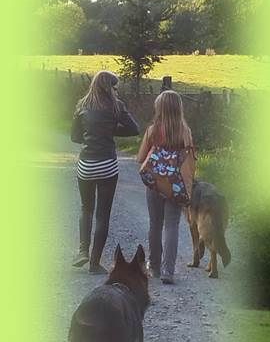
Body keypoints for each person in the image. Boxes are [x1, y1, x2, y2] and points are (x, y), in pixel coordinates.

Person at [71, 71, 140, 273]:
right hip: (107, 164)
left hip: (86, 164)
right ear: (109, 87)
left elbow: (75, 137)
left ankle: (83, 251)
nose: (117, 90)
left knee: (86, 208)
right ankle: (94, 263)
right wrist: (110, 131)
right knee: (103, 215)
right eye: (115, 87)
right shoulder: (116, 106)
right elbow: (134, 128)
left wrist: (92, 134)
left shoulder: (82, 105)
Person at [137, 90, 195, 285]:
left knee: (155, 224)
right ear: (179, 108)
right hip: (176, 186)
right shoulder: (185, 132)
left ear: (159, 108)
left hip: (155, 185)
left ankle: (154, 267)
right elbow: (189, 159)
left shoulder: (152, 130)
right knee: (172, 226)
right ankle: (168, 271)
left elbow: (140, 158)